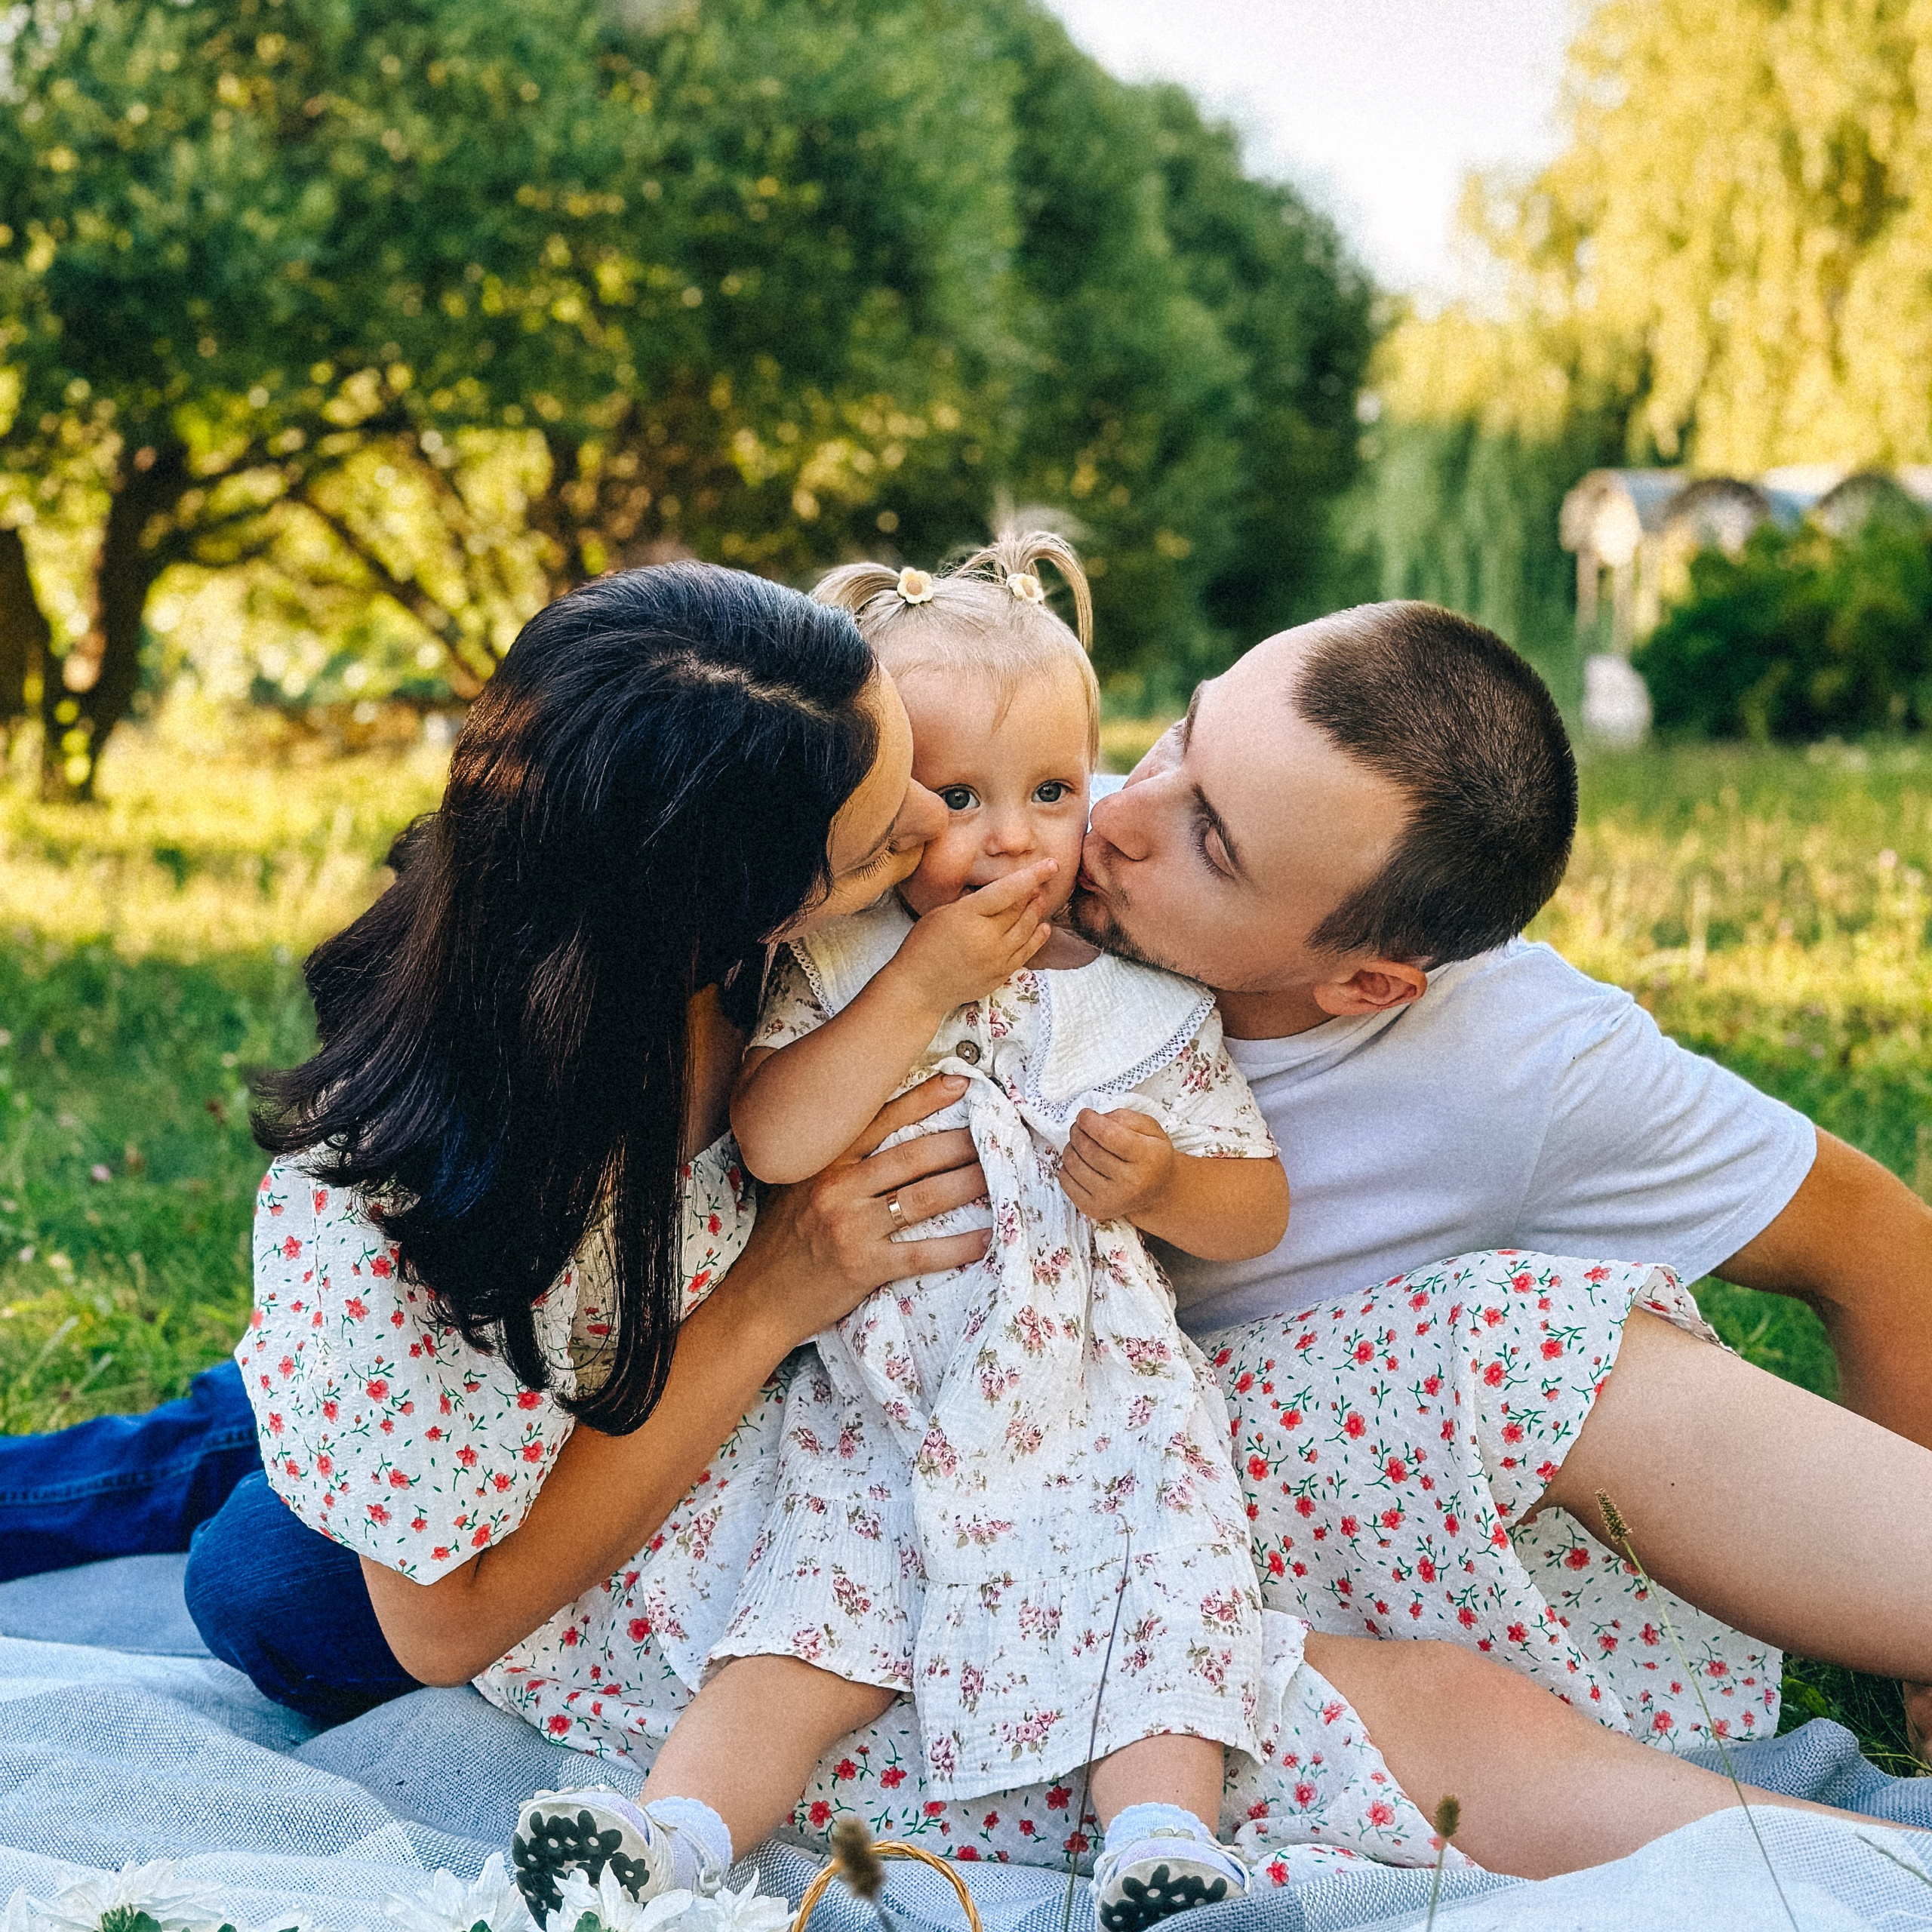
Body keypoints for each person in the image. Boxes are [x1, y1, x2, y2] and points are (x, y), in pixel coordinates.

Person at [3, 568, 1930, 1896]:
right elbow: (451, 1592)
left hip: (1075, 1375)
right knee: (263, 1546)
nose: (1032, 829)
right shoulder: (670, 1019)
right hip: (753, 1492)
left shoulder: (1489, 1041)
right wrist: (775, 1290)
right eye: (899, 813)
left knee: (1543, 1338)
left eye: (1189, 815)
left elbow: (1871, 1233)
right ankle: (1828, 1877)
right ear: (760, 906)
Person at [512, 538, 1288, 1927]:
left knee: (1168, 1596)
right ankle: (664, 1847)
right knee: (809, 1619)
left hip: (1102, 1400)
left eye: (1054, 792)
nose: (1011, 837)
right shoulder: (843, 962)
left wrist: (1164, 1185)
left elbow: (1256, 1202)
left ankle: (1161, 1845)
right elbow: (778, 1141)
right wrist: (925, 985)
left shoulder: (1144, 1006)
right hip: (873, 1405)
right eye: (961, 796)